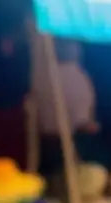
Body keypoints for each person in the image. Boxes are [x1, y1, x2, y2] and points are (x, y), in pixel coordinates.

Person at [31, 38, 98, 178]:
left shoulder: (39, 75)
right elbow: (83, 121)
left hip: (43, 147)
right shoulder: (78, 76)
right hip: (71, 147)